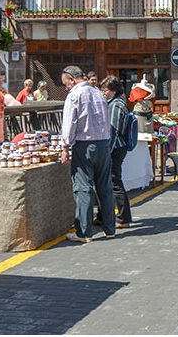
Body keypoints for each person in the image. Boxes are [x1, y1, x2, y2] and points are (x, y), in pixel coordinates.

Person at [60, 65, 116, 243]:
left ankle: (84, 232)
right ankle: (110, 228)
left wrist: (65, 147)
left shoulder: (75, 95)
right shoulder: (98, 93)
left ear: (71, 79)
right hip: (103, 144)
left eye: (66, 83)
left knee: (83, 188)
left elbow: (69, 123)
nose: (66, 87)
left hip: (84, 145)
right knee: (105, 187)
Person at [100, 75, 132, 229]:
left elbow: (113, 131)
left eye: (105, 90)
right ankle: (103, 215)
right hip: (117, 147)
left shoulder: (116, 105)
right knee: (108, 181)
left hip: (115, 148)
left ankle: (123, 218)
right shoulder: (116, 103)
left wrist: (107, 151)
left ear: (113, 90)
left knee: (114, 182)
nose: (103, 92)